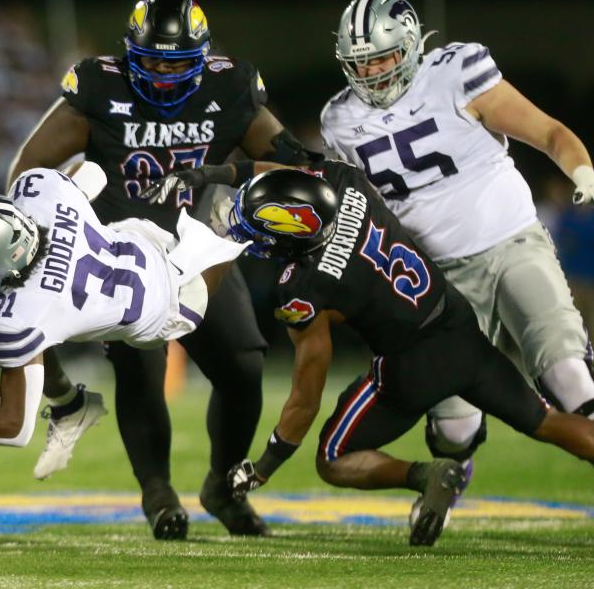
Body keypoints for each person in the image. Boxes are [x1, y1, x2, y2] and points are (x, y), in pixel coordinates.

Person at [7, 0, 320, 539]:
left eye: (175, 64)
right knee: (140, 372)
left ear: (203, 57)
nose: (161, 74)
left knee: (243, 367)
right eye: (150, 60)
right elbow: (28, 167)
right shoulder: (100, 88)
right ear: (129, 54)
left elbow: (289, 159)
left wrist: (305, 180)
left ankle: (222, 484)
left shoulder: (231, 87)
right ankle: (157, 493)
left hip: (200, 250)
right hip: (120, 253)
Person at [163, 160, 594, 546]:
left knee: (333, 459)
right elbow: (287, 176)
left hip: (410, 368)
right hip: (461, 331)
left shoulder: (302, 287)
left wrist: (265, 465)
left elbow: (306, 395)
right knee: (549, 422)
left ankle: (425, 474)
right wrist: (221, 173)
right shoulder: (345, 181)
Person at [318, 0, 594, 504]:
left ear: (410, 44)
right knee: (455, 428)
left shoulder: (458, 71)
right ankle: (452, 476)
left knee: (569, 374)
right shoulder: (339, 119)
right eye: (361, 62)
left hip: (510, 242)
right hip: (435, 282)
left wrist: (581, 171)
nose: (374, 71)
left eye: (383, 56)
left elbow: (548, 131)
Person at [0, 164, 248, 497]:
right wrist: (75, 210)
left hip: (173, 302)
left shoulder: (18, 316)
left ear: (0, 258)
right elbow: (93, 173)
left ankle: (246, 222)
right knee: (32, 321)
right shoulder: (37, 189)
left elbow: (15, 428)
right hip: (139, 237)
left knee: (244, 219)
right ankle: (70, 406)